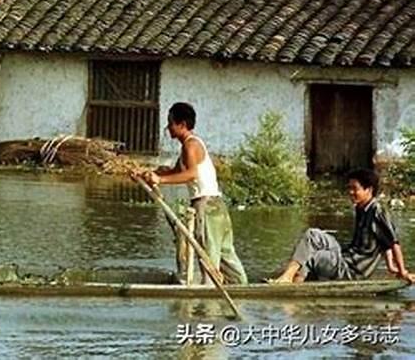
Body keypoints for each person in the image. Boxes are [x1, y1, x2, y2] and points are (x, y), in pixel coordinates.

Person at [138, 102, 248, 285]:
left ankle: (211, 299)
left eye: (170, 123)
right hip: (215, 207)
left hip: (207, 207)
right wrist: (150, 174)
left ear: (182, 125)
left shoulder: (191, 145)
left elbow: (191, 174)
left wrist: (160, 180)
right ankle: (242, 287)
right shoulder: (188, 146)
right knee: (225, 255)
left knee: (209, 258)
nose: (168, 127)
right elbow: (175, 171)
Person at [269, 169, 415, 284]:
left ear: (369, 190)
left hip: (353, 270)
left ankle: (295, 282)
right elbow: (383, 242)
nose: (350, 192)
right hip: (345, 257)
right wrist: (390, 266)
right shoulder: (360, 207)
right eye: (349, 188)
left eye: (355, 188)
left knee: (316, 256)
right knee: (312, 235)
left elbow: (393, 242)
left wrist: (402, 271)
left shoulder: (377, 210)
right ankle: (288, 276)